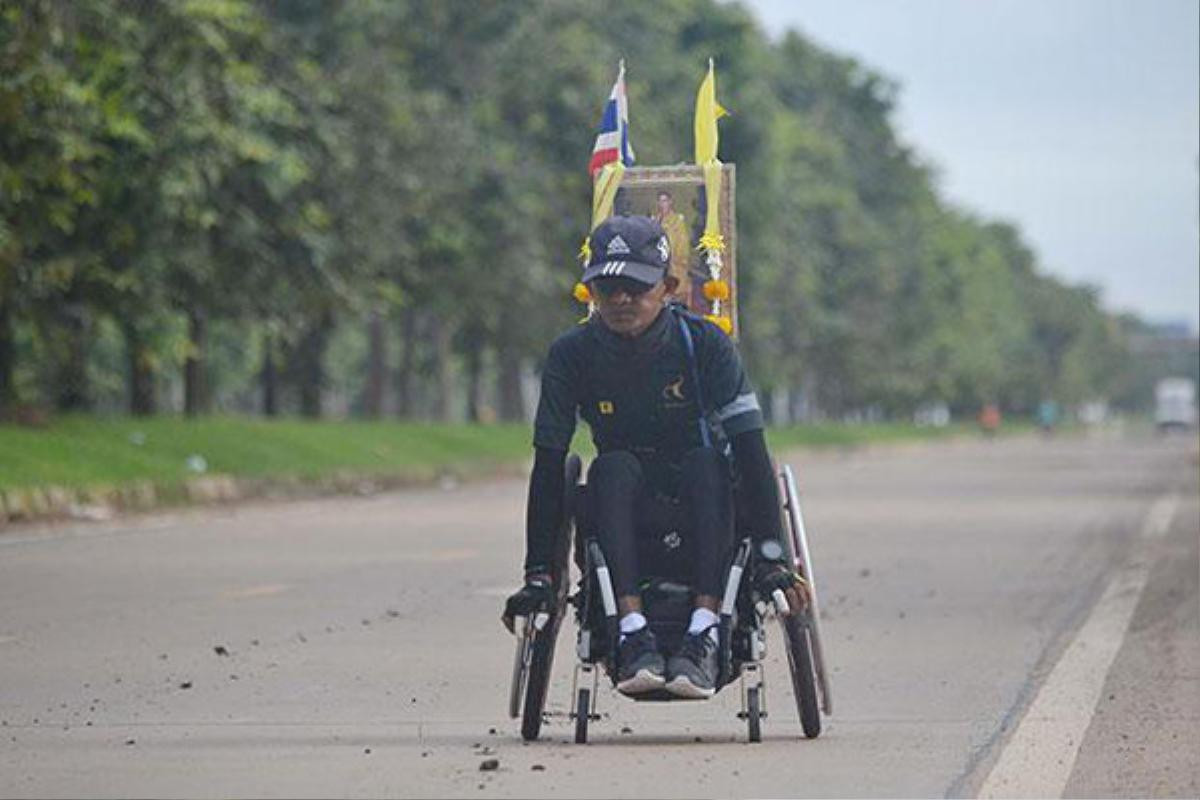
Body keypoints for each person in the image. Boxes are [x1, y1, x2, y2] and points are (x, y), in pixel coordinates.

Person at [502, 216, 808, 699]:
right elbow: (549, 462)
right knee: (610, 467)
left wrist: (773, 556)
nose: (621, 299)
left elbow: (751, 451)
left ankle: (705, 630)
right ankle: (631, 630)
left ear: (666, 287)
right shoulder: (571, 354)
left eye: (635, 286)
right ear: (591, 291)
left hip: (701, 483)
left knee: (711, 466)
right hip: (623, 488)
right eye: (608, 287)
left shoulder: (707, 345)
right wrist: (539, 572)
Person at [653, 190, 692, 306]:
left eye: (664, 201)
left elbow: (682, 242)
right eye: (660, 201)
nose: (662, 204)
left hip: (675, 262)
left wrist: (674, 256)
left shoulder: (677, 221)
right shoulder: (655, 220)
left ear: (670, 202)